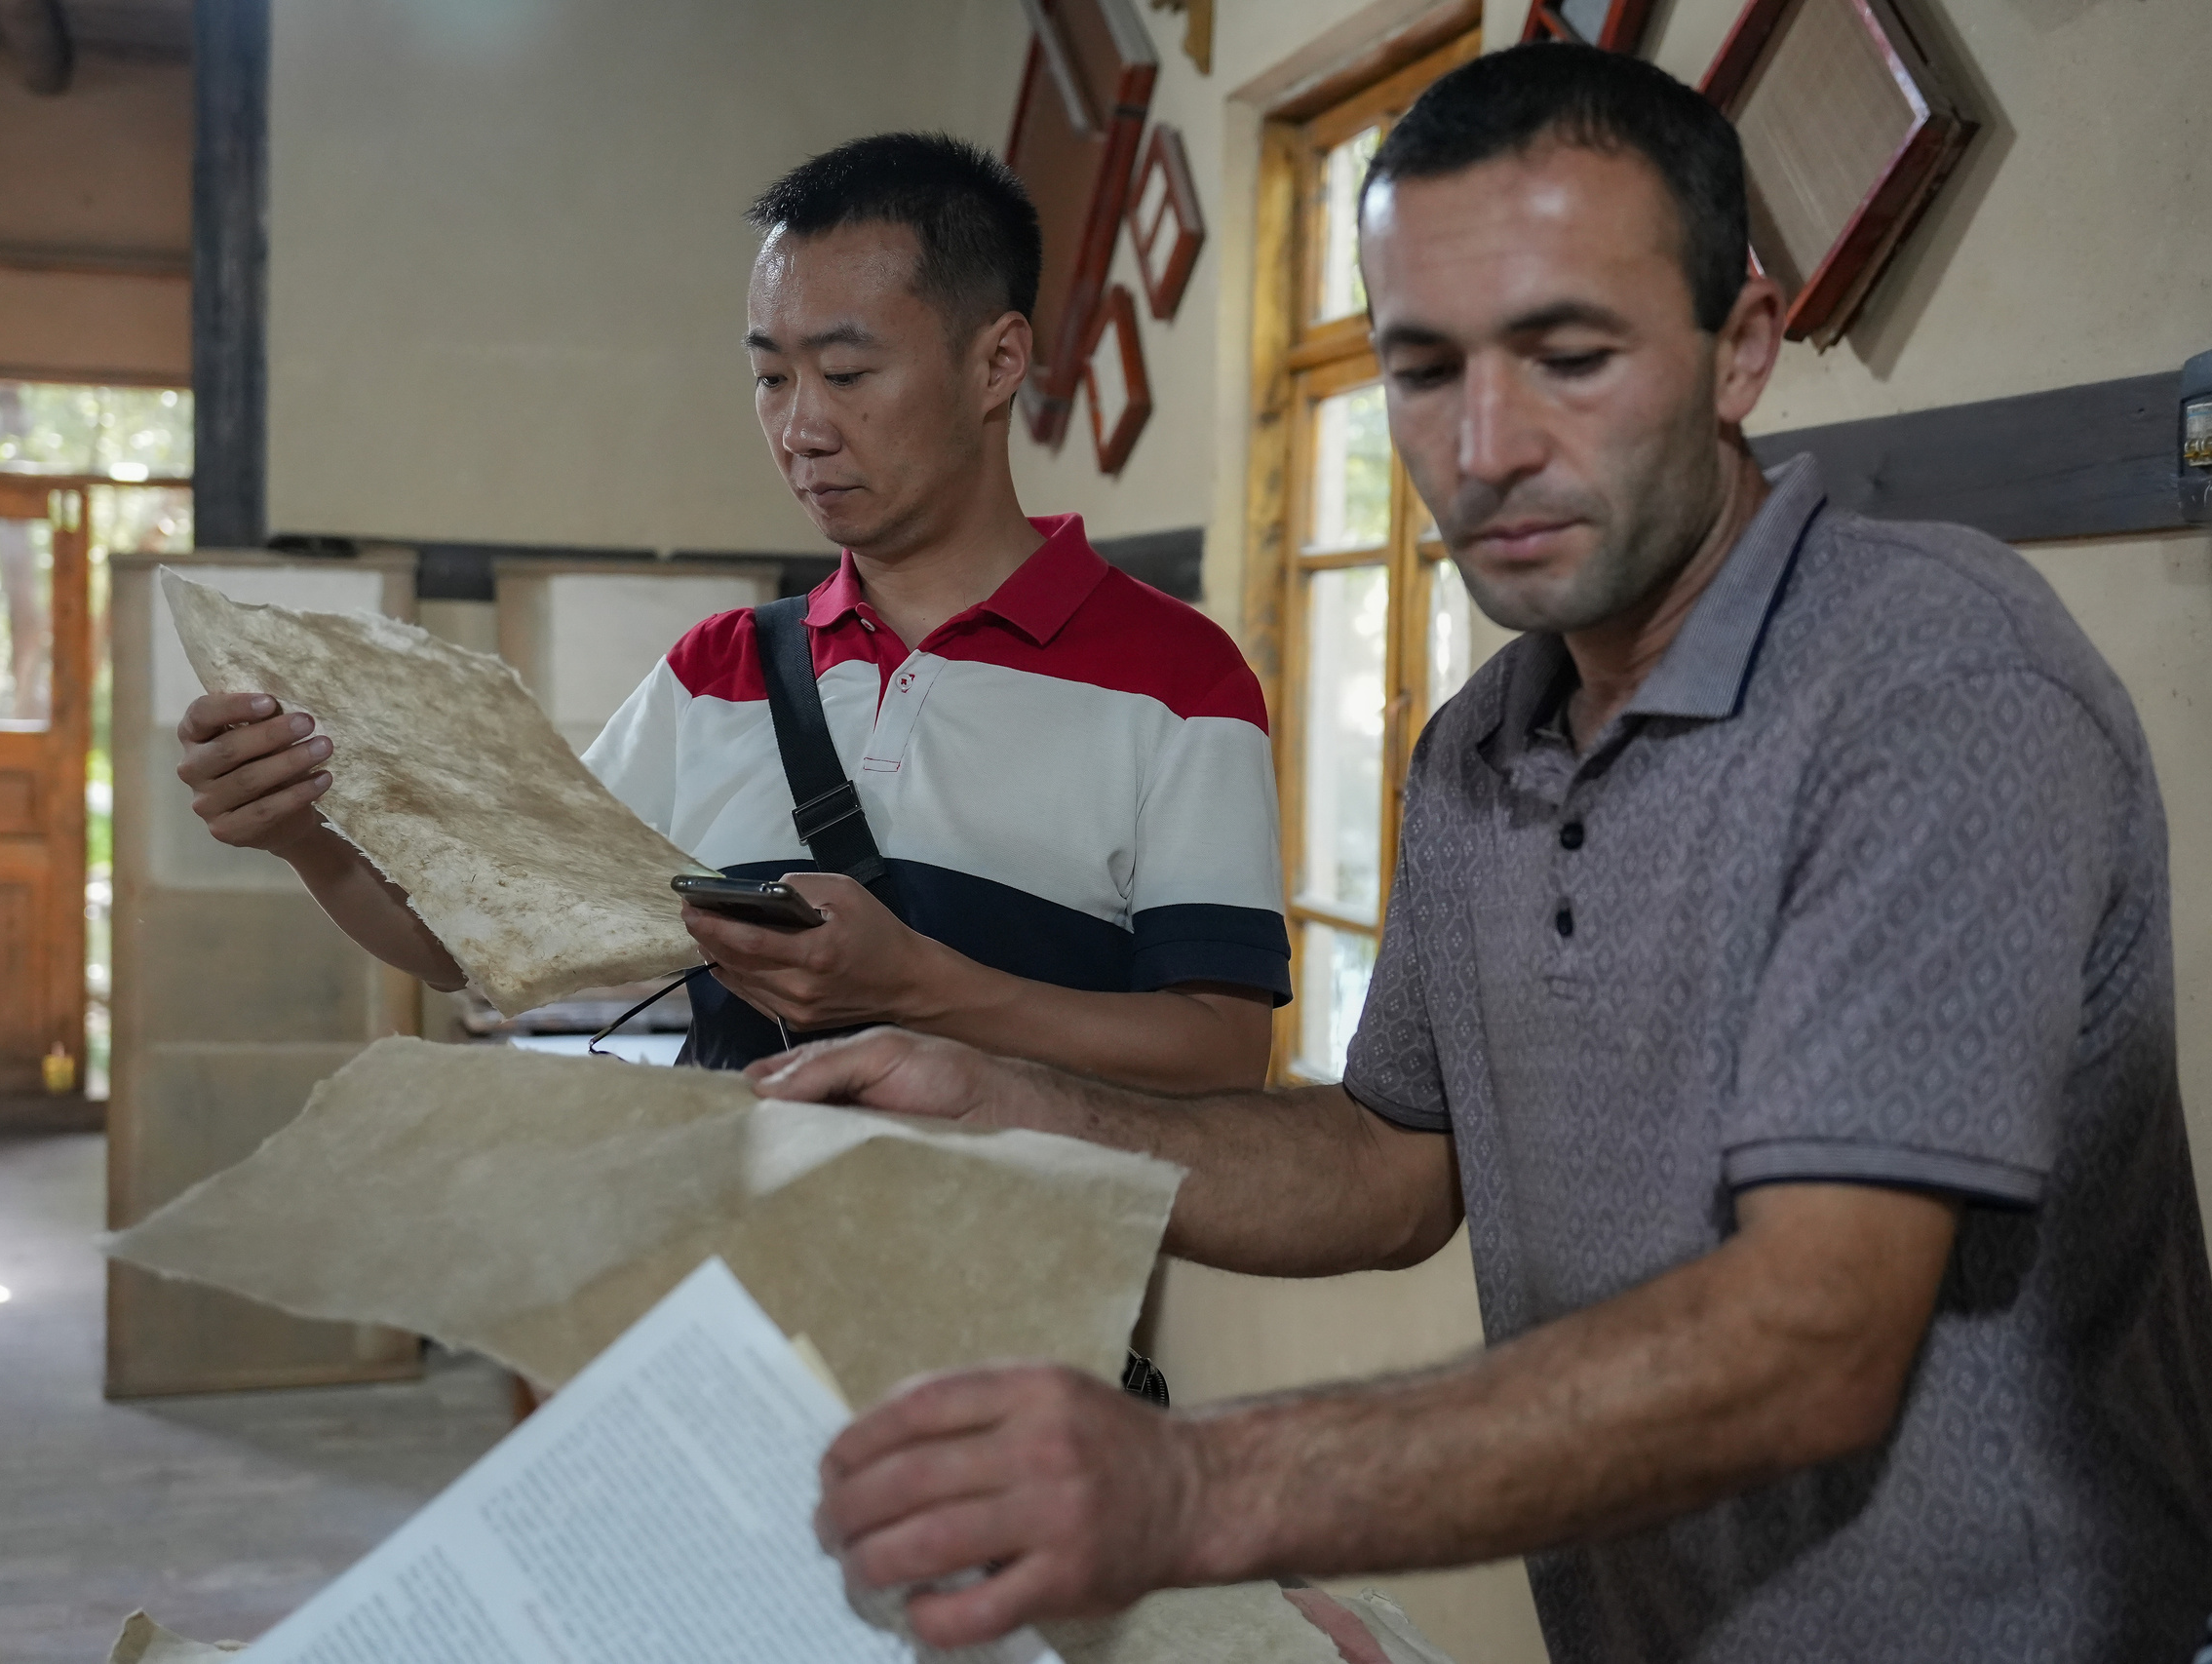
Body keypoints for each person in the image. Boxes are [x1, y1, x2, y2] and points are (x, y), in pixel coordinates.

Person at [750, 44, 2212, 1664]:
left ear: (1740, 348)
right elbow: (1388, 1166)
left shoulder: (1931, 682)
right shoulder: (1480, 745)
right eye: (1425, 369)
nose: (1486, 440)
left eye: (1568, 354)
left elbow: (1818, 1331)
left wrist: (1196, 1487)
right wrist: (1011, 1096)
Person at [175, 134, 1288, 1087]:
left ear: (996, 362)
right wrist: (304, 836)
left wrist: (925, 990)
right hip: (727, 1294)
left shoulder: (1177, 679)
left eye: (846, 375)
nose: (800, 428)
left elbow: (1221, 1050)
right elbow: (468, 937)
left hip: (1026, 1318)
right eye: (770, 377)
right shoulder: (717, 671)